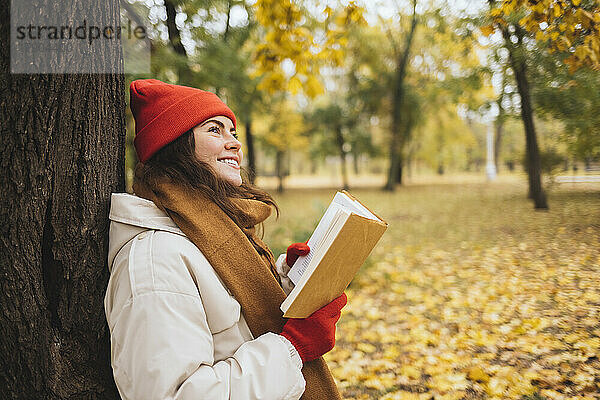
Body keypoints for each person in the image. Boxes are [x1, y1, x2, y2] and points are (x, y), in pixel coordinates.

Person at [104, 79, 347, 400]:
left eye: (232, 132)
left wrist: (289, 281)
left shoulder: (210, 230)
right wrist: (292, 350)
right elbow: (174, 395)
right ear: (175, 146)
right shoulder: (155, 259)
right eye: (215, 130)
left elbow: (233, 326)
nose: (234, 143)